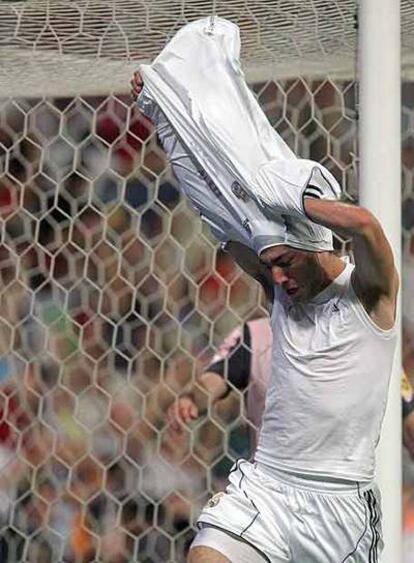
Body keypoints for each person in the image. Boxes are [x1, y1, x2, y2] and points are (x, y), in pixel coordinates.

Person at [131, 17, 399, 563]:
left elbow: (367, 226)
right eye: (269, 266)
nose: (274, 278)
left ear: (311, 240)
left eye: (283, 262)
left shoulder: (371, 295)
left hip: (339, 508)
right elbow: (216, 206)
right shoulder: (280, 296)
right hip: (268, 487)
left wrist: (299, 201)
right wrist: (167, 117)